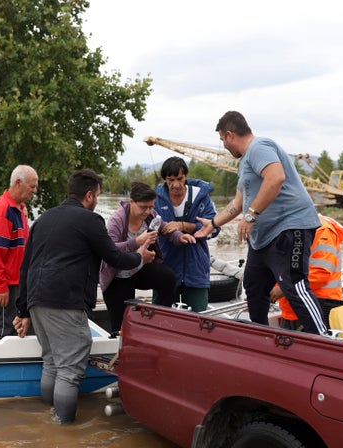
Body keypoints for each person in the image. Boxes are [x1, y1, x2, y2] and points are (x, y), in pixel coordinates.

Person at [14, 169, 155, 424]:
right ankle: (63, 430)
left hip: (36, 299)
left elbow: (25, 267)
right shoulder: (91, 221)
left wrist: (23, 310)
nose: (98, 201)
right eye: (98, 196)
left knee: (52, 363)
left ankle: (48, 420)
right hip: (65, 301)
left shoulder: (43, 220)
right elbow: (114, 257)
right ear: (89, 195)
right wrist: (140, 257)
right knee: (69, 371)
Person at [195, 111, 327, 335]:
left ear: (230, 135)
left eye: (222, 141)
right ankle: (260, 337)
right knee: (254, 286)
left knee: (294, 286)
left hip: (289, 228)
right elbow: (238, 203)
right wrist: (213, 223)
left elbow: (276, 177)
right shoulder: (245, 162)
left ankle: (326, 340)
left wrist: (251, 215)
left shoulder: (259, 147)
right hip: (263, 239)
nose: (223, 146)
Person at [99, 181, 177, 332]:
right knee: (121, 325)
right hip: (118, 275)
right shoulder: (116, 220)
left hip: (138, 268)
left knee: (167, 277)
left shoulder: (151, 216)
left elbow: (164, 228)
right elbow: (110, 250)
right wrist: (137, 242)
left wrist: (179, 236)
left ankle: (162, 321)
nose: (148, 211)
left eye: (151, 207)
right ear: (132, 202)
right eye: (143, 207)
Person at [0, 165, 38, 339]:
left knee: (11, 325)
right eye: (32, 186)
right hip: (5, 283)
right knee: (3, 329)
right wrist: (0, 287)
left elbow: (23, 246)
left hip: (15, 280)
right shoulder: (3, 209)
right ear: (18, 183)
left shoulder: (18, 209)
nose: (34, 191)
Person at [154, 156, 219, 312]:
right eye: (171, 180)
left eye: (180, 178)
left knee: (199, 321)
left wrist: (183, 226)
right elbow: (147, 227)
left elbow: (215, 228)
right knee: (161, 320)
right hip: (165, 267)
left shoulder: (202, 197)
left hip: (196, 268)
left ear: (186, 177)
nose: (176, 185)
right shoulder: (155, 199)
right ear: (164, 179)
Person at [270, 214, 343, 330]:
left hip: (319, 308)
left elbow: (321, 273)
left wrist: (283, 288)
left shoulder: (322, 230)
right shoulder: (288, 227)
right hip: (291, 308)